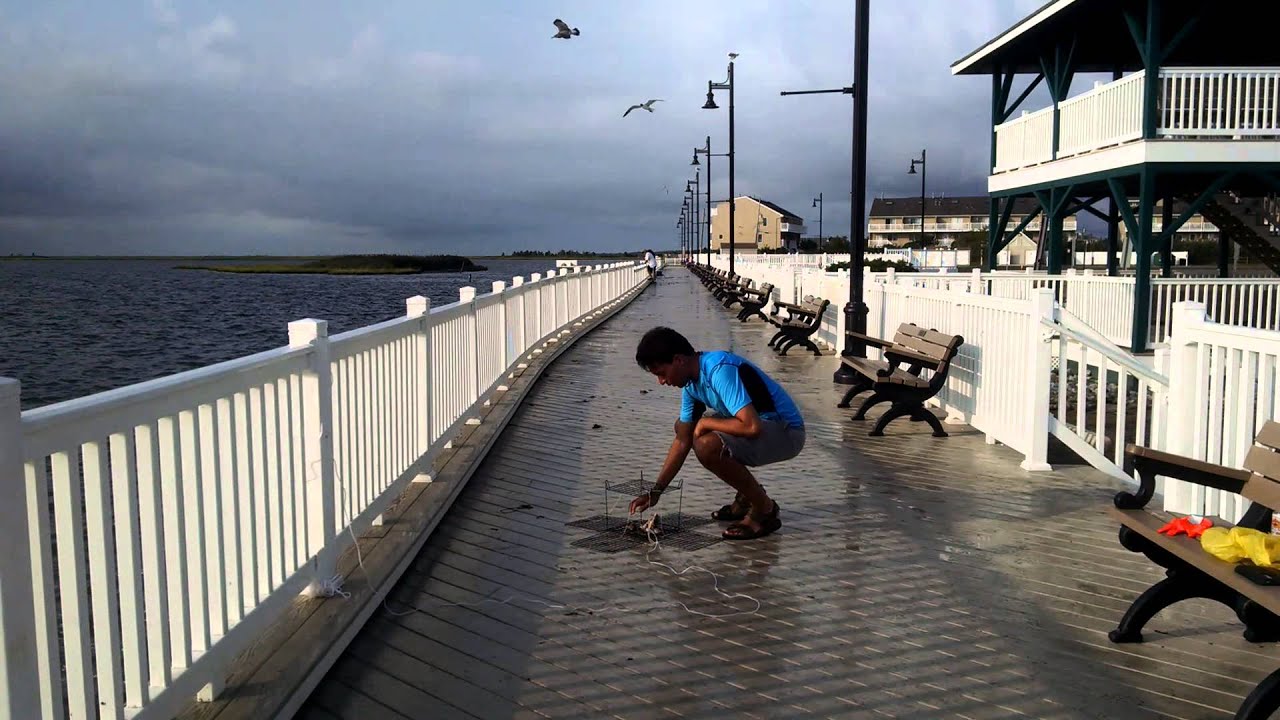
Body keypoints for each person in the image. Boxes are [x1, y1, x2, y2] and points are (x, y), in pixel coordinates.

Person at [630, 326, 805, 540]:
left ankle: (763, 509)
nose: (662, 382)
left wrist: (707, 423)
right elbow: (682, 440)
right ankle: (746, 497)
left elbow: (752, 427)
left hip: (787, 432)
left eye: (662, 373)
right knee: (683, 427)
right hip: (764, 428)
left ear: (678, 360)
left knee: (707, 445)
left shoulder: (718, 369)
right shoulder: (692, 386)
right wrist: (656, 491)